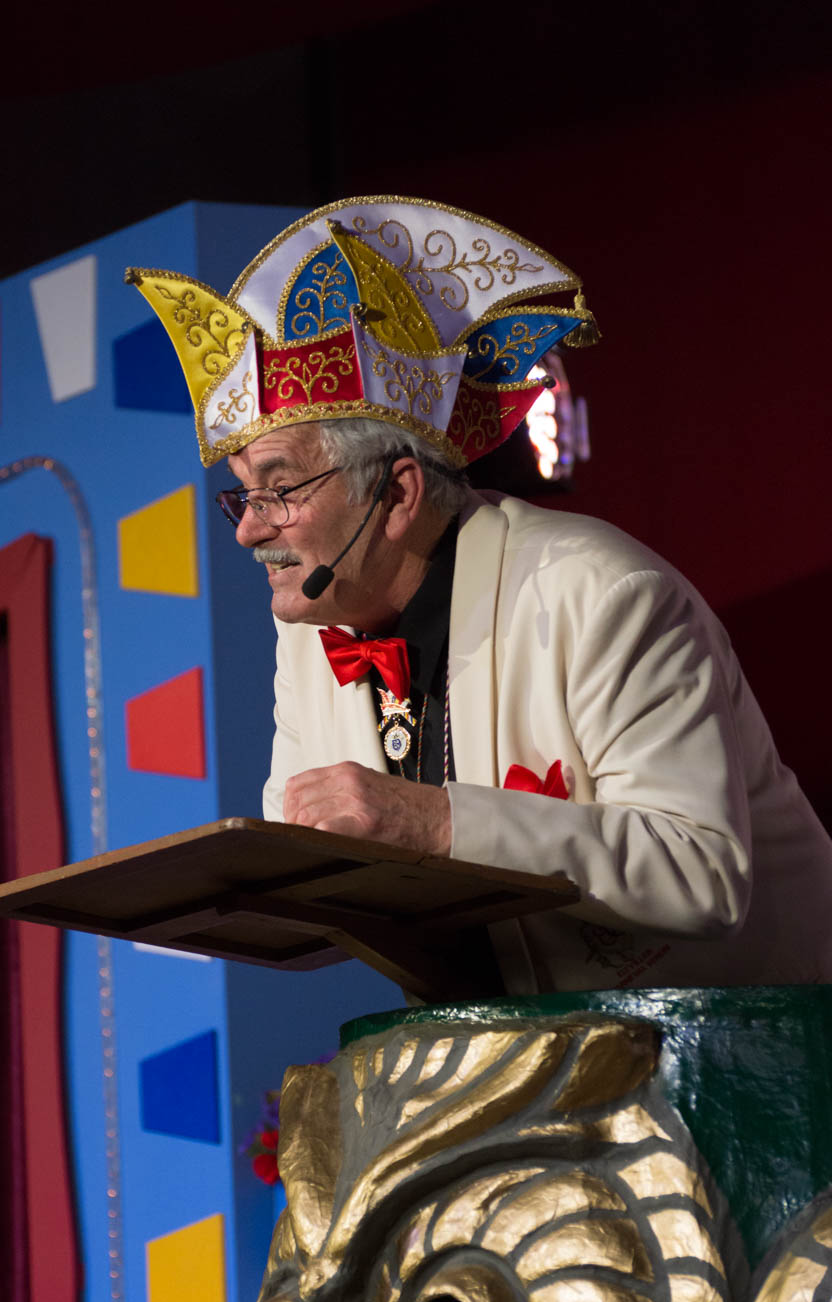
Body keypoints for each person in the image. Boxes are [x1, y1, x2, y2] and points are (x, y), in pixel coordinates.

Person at [128, 196, 832, 992]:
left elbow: (700, 875)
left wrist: (433, 823)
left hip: (740, 1041)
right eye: (244, 495)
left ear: (397, 496)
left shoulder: (603, 593)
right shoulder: (308, 635)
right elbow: (320, 881)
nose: (249, 531)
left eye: (280, 489)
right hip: (514, 1040)